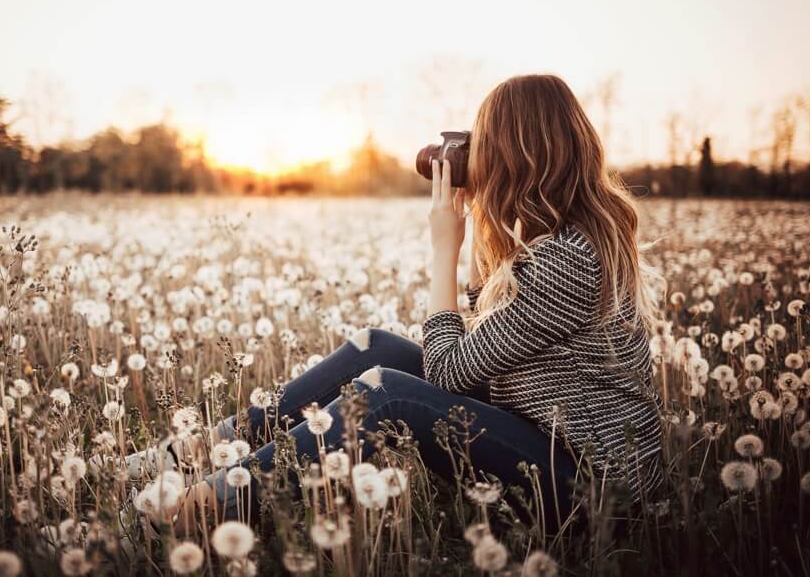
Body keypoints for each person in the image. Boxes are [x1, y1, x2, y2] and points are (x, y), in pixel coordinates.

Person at [149, 73, 666, 533]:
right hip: (551, 441)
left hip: (593, 489)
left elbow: (446, 371)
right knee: (377, 348)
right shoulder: (568, 239)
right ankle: (194, 451)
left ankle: (204, 505)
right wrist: (482, 221)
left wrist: (446, 246)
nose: (474, 158)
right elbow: (486, 321)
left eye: (483, 143)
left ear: (514, 155)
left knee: (390, 394)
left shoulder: (569, 260)